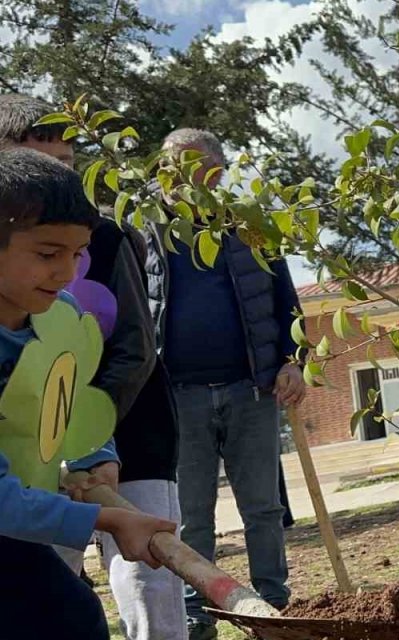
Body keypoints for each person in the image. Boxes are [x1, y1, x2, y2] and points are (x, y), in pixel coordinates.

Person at [0, 93, 188, 640]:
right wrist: (107, 519)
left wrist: (97, 453)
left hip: (15, 530)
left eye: (76, 255)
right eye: (47, 253)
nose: (65, 272)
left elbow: (70, 394)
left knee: (74, 616)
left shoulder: (60, 317)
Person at [146, 129, 307, 640]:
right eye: (170, 167)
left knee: (262, 506)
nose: (180, 178)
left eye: (192, 166)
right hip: (177, 396)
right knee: (191, 517)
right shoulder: (147, 230)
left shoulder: (251, 226)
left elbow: (286, 301)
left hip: (251, 389)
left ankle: (272, 607)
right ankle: (198, 618)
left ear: (217, 170)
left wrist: (292, 360)